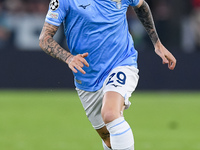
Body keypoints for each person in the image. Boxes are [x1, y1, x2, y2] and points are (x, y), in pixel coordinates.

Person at [39, 0, 176, 149]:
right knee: (109, 139)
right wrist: (69, 58)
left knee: (110, 114)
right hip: (87, 77)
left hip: (121, 63)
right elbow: (44, 38)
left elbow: (141, 6)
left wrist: (157, 43)